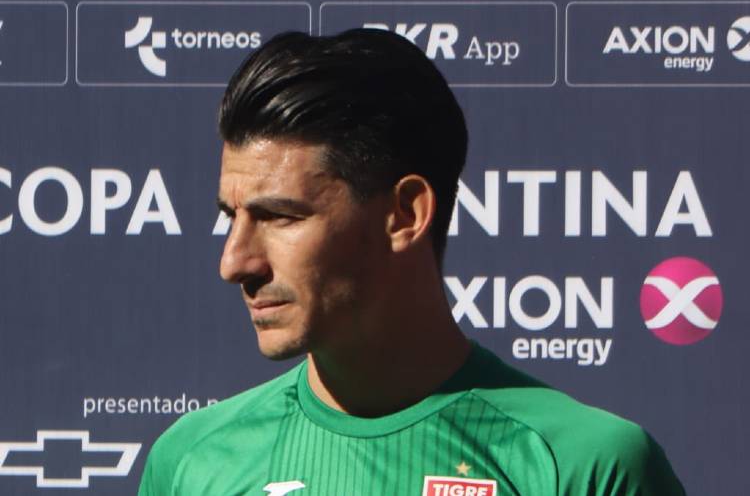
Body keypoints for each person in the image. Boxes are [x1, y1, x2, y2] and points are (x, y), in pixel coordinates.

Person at [138, 29, 684, 495]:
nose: (235, 262)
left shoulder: (583, 466)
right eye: (230, 216)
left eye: (280, 216)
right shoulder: (190, 461)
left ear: (404, 214)